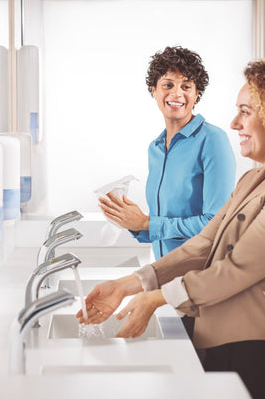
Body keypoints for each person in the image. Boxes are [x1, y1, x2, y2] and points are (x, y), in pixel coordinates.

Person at [78, 58, 265, 399]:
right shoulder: (254, 179)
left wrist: (155, 298)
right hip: (227, 343)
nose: (234, 123)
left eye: (246, 112)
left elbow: (238, 269)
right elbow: (204, 245)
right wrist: (130, 284)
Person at [99, 46, 236, 261]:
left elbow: (217, 223)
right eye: (168, 85)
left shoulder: (212, 140)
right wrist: (132, 222)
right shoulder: (155, 149)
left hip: (201, 276)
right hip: (164, 273)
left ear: (196, 93)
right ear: (153, 89)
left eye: (186, 86)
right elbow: (162, 231)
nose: (177, 93)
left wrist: (146, 222)